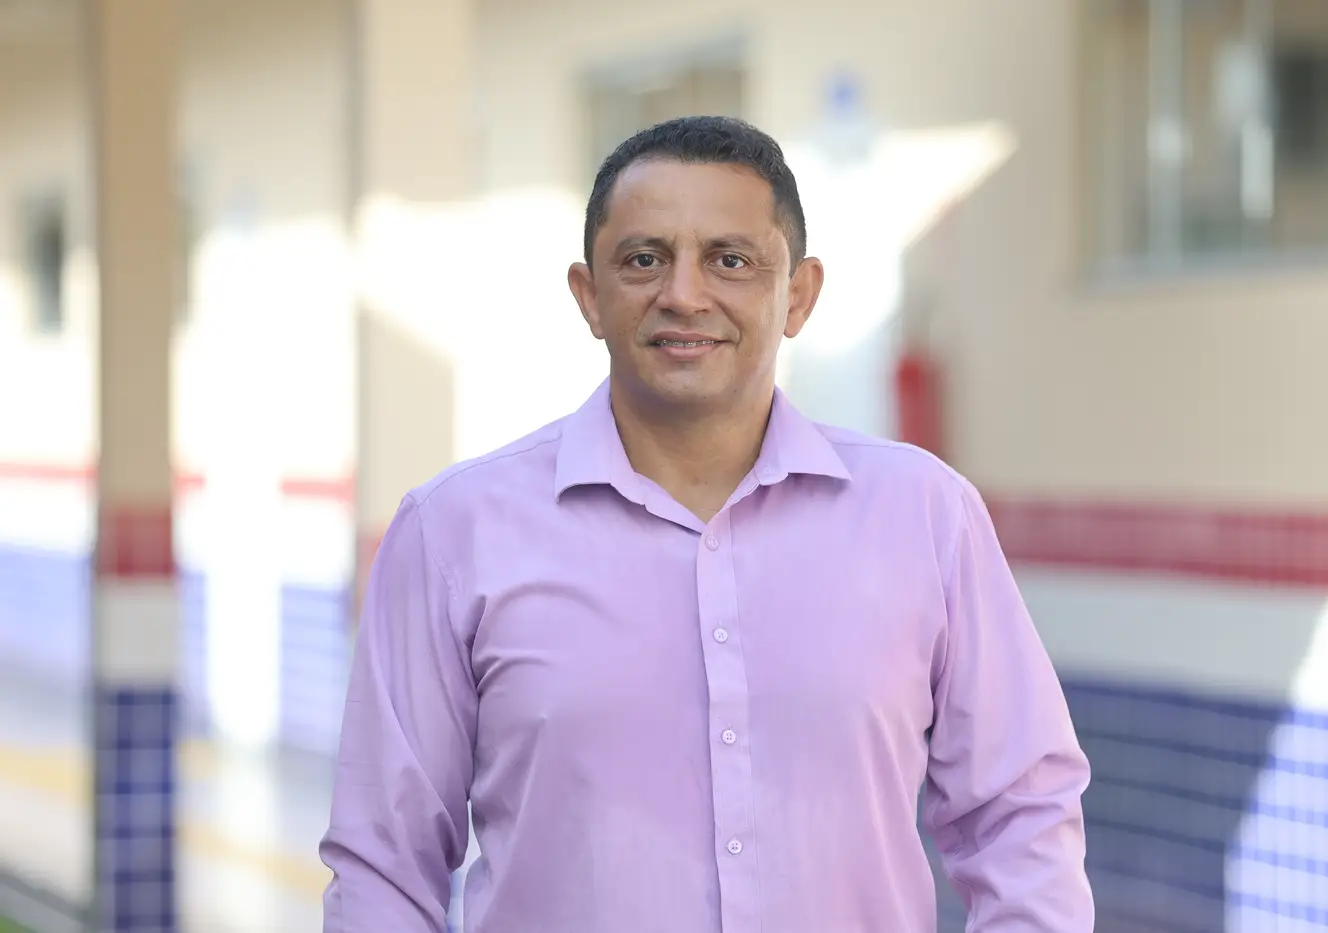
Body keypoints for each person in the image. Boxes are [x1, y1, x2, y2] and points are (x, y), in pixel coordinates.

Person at [320, 115, 1094, 933]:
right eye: (645, 259)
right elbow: (385, 866)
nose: (684, 294)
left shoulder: (926, 517)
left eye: (730, 260)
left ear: (797, 295)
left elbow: (1021, 813)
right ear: (590, 296)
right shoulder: (453, 534)